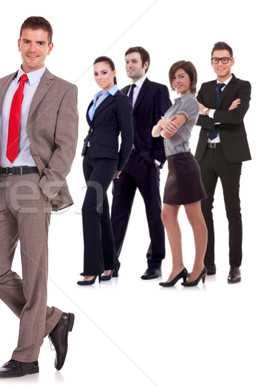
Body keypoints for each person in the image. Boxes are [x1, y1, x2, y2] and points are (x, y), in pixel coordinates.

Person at [0, 16, 78, 377]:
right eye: (27, 41)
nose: (33, 48)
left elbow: (67, 145)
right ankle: (53, 319)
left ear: (50, 47)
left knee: (35, 275)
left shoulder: (64, 89)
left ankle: (26, 356)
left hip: (35, 186)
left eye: (40, 43)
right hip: (1, 185)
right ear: (18, 43)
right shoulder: (3, 83)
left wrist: (46, 187)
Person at [110, 46, 171, 280]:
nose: (129, 66)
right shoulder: (121, 93)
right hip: (123, 164)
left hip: (147, 161)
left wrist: (157, 159)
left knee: (154, 213)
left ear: (145, 64)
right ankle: (111, 262)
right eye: (126, 62)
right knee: (117, 213)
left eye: (134, 61)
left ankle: (155, 263)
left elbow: (166, 126)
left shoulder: (157, 90)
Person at [195, 42, 251, 284]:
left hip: (230, 156)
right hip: (206, 154)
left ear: (232, 61)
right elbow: (193, 117)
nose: (220, 63)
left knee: (232, 210)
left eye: (224, 59)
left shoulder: (243, 86)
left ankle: (234, 265)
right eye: (216, 60)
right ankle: (208, 263)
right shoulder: (205, 87)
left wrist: (207, 111)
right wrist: (219, 114)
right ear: (211, 62)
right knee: (204, 210)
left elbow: (237, 117)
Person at [152, 60, 208, 287]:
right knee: (167, 216)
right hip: (174, 166)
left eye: (182, 76)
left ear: (191, 79)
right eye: (174, 77)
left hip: (184, 164)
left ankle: (199, 267)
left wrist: (162, 125)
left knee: (194, 218)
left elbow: (164, 133)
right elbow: (156, 131)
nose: (177, 81)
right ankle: (177, 267)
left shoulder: (191, 103)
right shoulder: (173, 106)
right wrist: (162, 125)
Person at [78, 56, 133, 285]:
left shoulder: (120, 100)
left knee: (89, 208)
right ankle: (111, 264)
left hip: (107, 160)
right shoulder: (97, 97)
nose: (99, 77)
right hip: (89, 158)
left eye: (104, 72)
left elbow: (128, 137)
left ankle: (93, 268)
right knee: (100, 210)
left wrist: (119, 166)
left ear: (113, 72)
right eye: (96, 73)